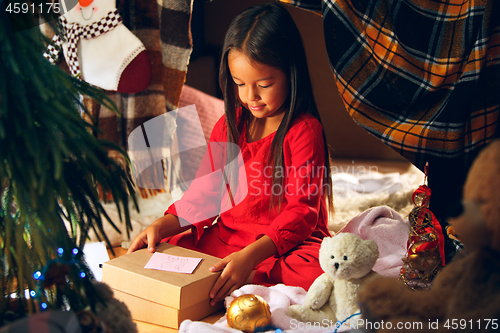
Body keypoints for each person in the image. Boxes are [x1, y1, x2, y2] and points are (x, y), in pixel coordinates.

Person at [127, 3, 334, 306]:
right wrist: (164, 223)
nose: (251, 96)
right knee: (168, 248)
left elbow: (302, 214)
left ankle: (248, 275)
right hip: (229, 238)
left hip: (282, 246)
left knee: (319, 267)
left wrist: (250, 259)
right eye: (240, 84)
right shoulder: (230, 124)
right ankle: (235, 274)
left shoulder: (305, 129)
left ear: (290, 72)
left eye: (264, 84)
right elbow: (205, 195)